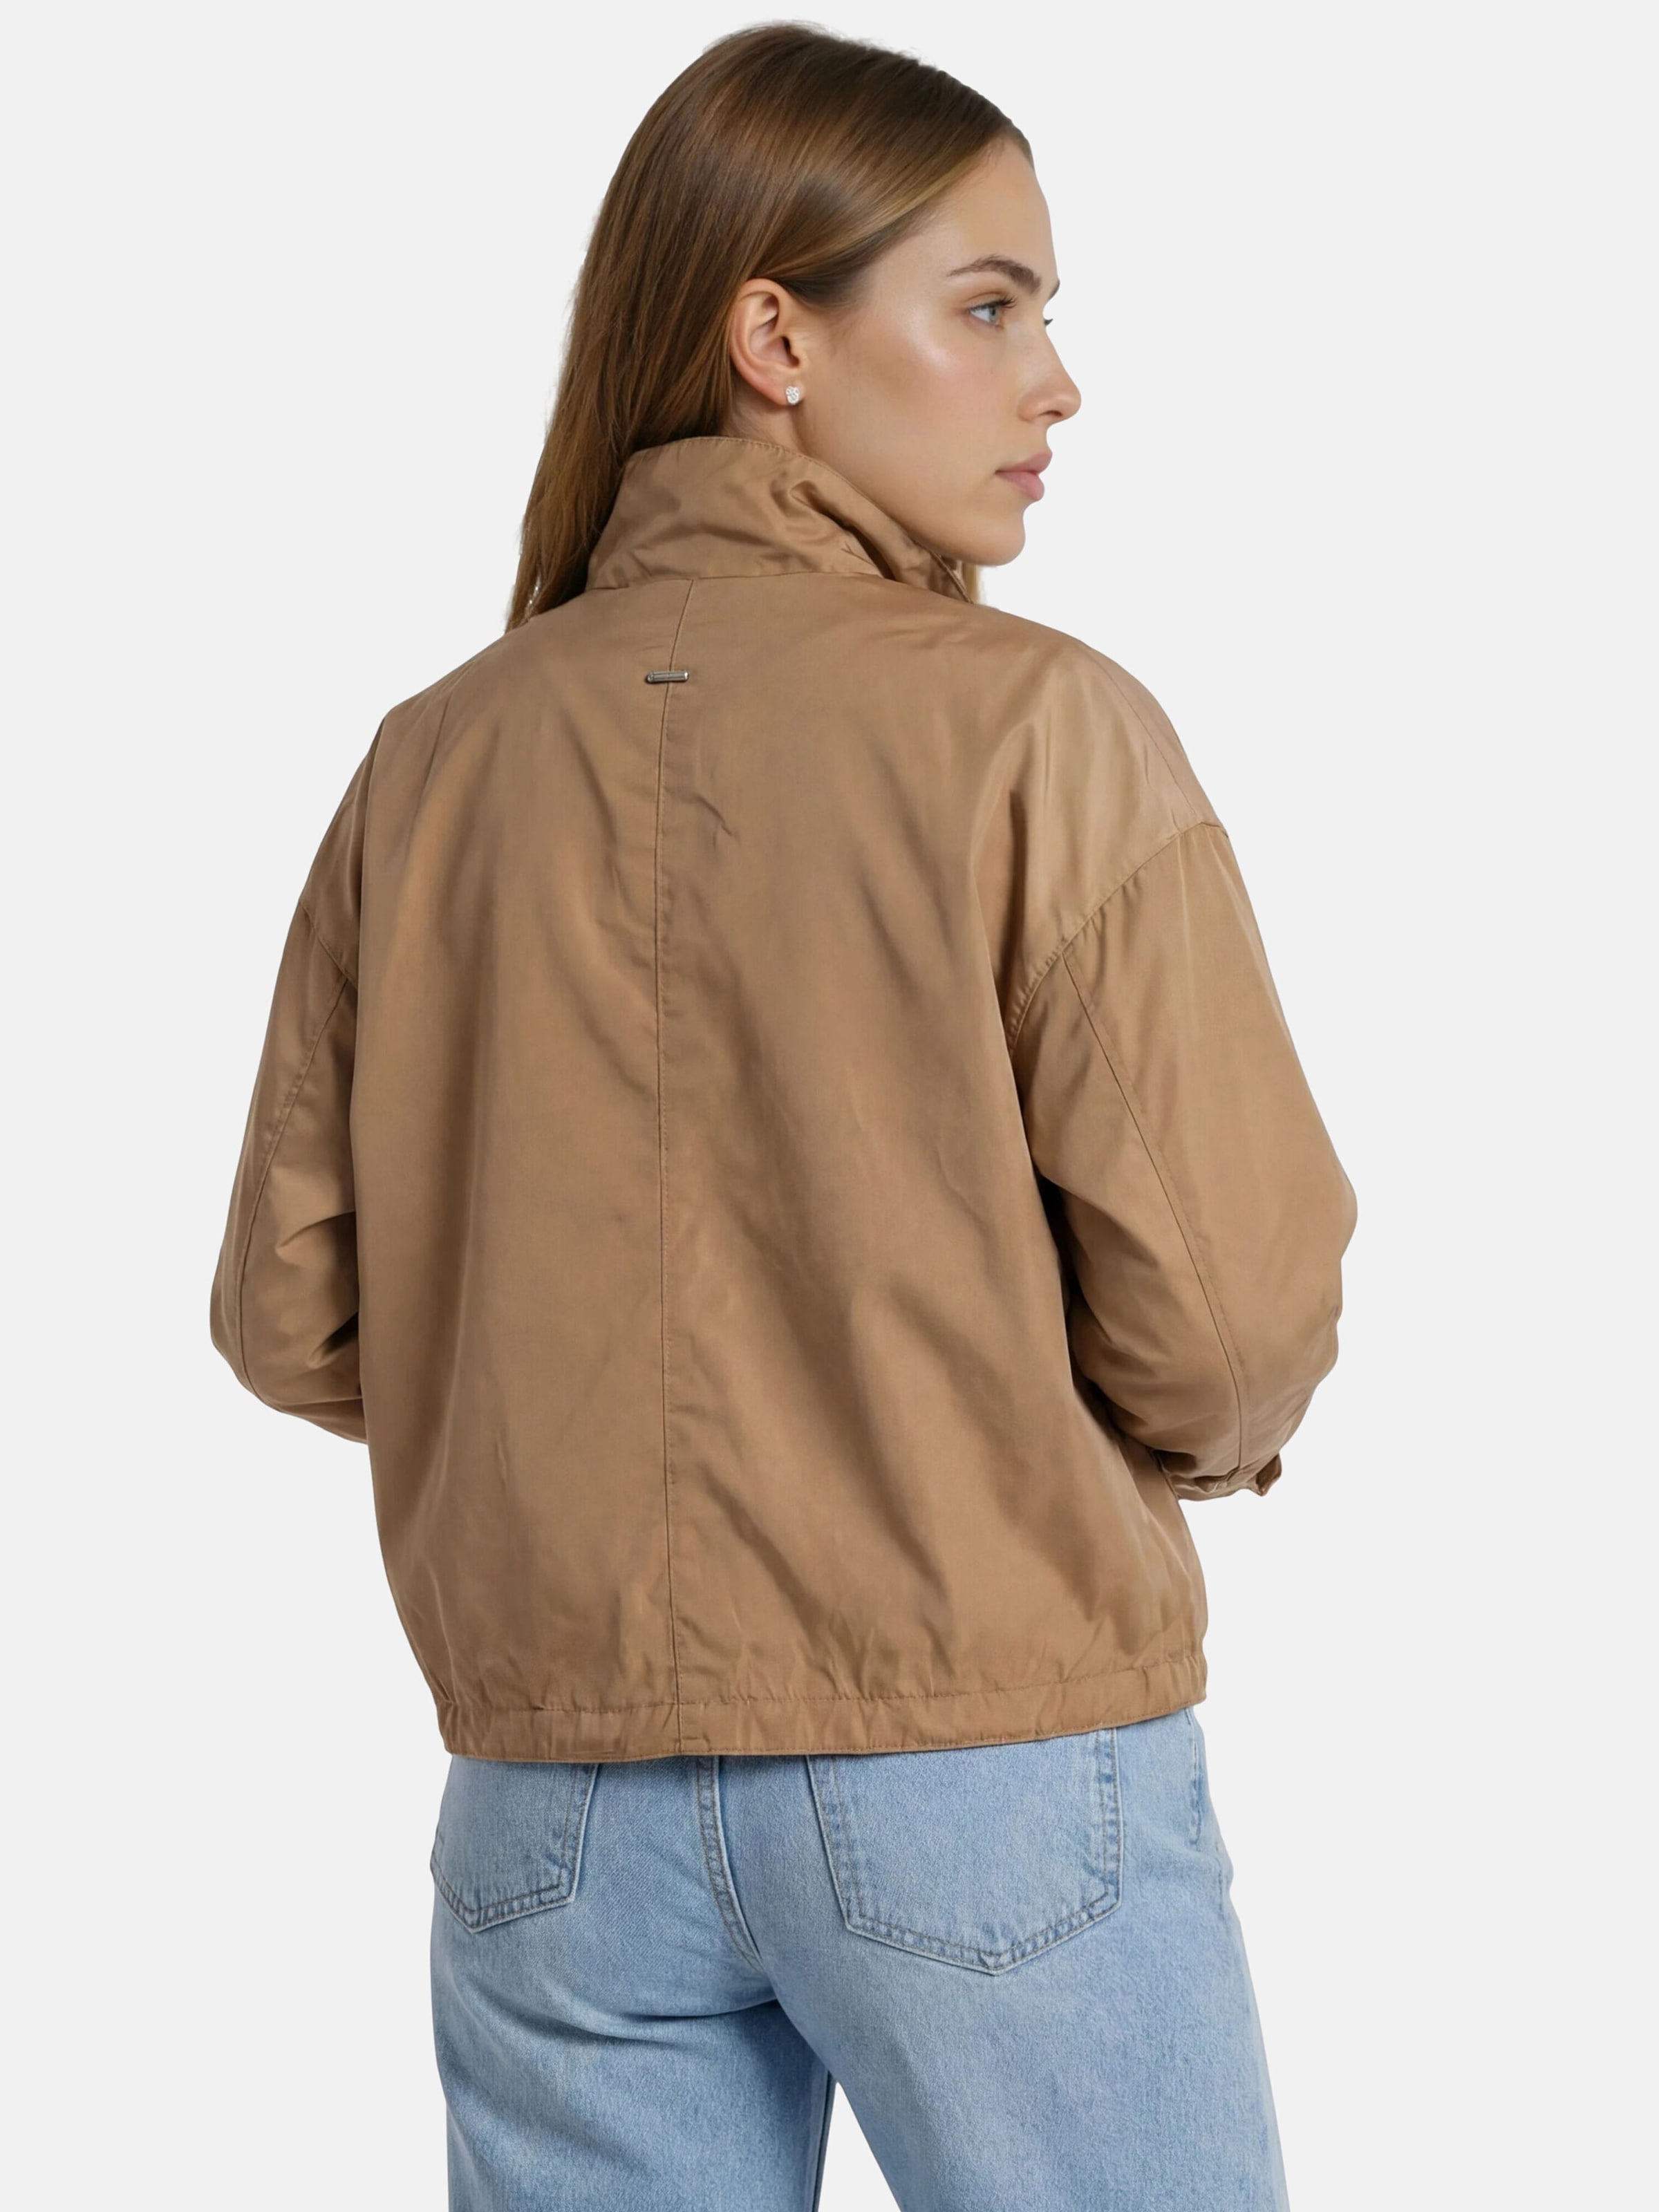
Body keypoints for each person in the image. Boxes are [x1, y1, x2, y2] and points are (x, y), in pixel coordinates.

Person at [208, 24, 1357, 2211]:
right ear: (777, 341)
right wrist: (1044, 1447)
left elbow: (291, 1315)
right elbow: (1227, 1325)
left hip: (557, 1813)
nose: (1056, 384)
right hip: (987, 1765)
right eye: (990, 307)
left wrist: (560, 1440)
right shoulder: (1039, 732)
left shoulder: (434, 762)